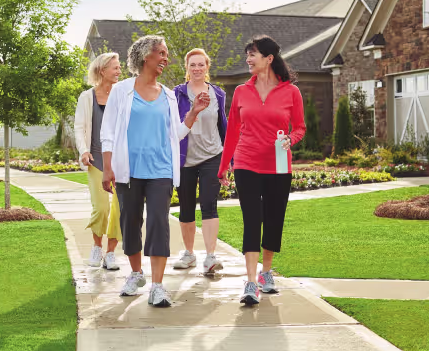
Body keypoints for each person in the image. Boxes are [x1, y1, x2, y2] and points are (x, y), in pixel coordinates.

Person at [101, 35, 209, 308]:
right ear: (145, 56)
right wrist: (107, 167)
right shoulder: (121, 90)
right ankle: (136, 274)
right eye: (161, 53)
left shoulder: (170, 95)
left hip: (161, 169)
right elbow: (108, 132)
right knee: (130, 221)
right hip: (129, 170)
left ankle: (158, 286)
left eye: (166, 53)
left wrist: (194, 113)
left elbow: (176, 134)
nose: (165, 58)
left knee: (159, 221)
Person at [217, 35, 305, 306]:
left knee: (274, 218)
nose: (248, 59)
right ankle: (251, 282)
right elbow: (232, 130)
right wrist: (224, 166)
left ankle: (266, 273)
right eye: (247, 55)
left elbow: (300, 127)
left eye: (253, 54)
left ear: (269, 59)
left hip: (278, 165)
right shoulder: (243, 91)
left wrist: (292, 139)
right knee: (252, 219)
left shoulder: (291, 92)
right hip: (246, 162)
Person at [172, 48, 228, 275]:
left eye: (201, 65)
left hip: (212, 156)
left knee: (208, 203)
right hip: (185, 159)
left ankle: (210, 256)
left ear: (207, 67)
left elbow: (223, 126)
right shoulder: (176, 94)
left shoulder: (218, 94)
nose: (197, 69)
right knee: (186, 207)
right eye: (192, 65)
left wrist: (228, 160)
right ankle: (189, 254)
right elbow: (173, 127)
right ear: (187, 68)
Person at [74, 52, 123, 270]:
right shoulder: (87, 97)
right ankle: (96, 246)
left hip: (121, 162)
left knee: (120, 209)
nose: (119, 70)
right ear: (102, 70)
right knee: (101, 208)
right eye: (115, 67)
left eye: (119, 66)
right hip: (96, 160)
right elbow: (79, 127)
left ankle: (111, 253)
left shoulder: (122, 96)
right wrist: (83, 150)